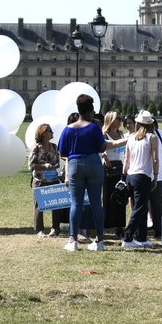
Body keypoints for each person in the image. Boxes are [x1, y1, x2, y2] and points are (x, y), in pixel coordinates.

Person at [57, 95, 109, 252]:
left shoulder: (68, 129)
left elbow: (62, 152)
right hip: (93, 164)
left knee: (76, 203)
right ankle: (99, 240)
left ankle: (73, 240)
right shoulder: (94, 128)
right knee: (96, 204)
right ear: (91, 111)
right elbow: (101, 148)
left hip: (75, 166)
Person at [121, 110, 160, 249]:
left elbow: (126, 159)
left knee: (140, 208)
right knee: (140, 207)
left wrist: (123, 176)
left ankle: (142, 237)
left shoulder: (131, 137)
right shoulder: (152, 137)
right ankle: (128, 236)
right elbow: (155, 159)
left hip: (130, 175)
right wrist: (155, 175)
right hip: (143, 176)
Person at [28, 123, 64, 237]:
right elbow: (31, 165)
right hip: (40, 180)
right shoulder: (36, 148)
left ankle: (55, 228)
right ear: (43, 133)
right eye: (50, 131)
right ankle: (39, 230)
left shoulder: (54, 146)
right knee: (39, 206)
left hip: (53, 178)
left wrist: (55, 165)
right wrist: (44, 166)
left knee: (56, 205)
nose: (52, 133)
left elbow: (58, 161)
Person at [101, 111, 128, 237]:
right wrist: (104, 157)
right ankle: (107, 224)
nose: (120, 120)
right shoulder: (104, 134)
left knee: (121, 198)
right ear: (110, 120)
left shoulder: (121, 134)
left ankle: (119, 226)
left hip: (121, 168)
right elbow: (101, 149)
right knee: (108, 198)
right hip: (109, 169)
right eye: (118, 118)